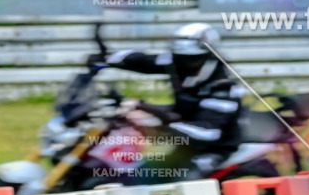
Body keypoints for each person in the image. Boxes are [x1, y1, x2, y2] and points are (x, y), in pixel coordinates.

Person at [90, 23, 247, 172]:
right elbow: (144, 61)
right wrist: (107, 60)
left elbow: (208, 133)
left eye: (190, 59)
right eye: (179, 57)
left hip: (213, 149)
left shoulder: (223, 88)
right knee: (138, 166)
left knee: (183, 179)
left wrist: (161, 120)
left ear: (208, 55)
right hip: (182, 139)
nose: (183, 63)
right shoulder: (178, 62)